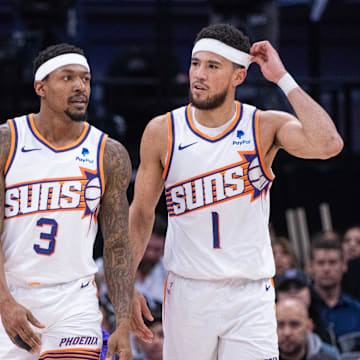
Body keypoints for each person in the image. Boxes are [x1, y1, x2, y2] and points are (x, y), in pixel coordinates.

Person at [130, 23, 343, 359]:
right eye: (196, 63)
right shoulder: (162, 131)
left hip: (250, 294)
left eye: (212, 66)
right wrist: (125, 282)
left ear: (238, 77)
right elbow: (141, 213)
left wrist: (282, 78)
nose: (199, 74)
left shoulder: (263, 126)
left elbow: (329, 143)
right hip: (188, 290)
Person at [0, 43, 135, 360]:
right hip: (12, 293)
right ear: (41, 86)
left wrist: (123, 322)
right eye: (68, 78)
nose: (80, 87)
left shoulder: (108, 153)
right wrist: (4, 302)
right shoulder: (7, 142)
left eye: (85, 79)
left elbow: (117, 245)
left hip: (74, 299)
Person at [310, 238, 360, 340]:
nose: (326, 269)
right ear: (311, 267)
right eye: (321, 263)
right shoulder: (303, 309)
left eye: (332, 262)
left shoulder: (357, 309)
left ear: (344, 265)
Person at [275, 268, 332, 345]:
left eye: (298, 287)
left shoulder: (325, 317)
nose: (292, 293)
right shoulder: (266, 324)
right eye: (285, 288)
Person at [276, 298, 341, 360]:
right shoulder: (266, 353)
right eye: (280, 325)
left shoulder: (329, 355)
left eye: (294, 325)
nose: (287, 332)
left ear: (309, 327)